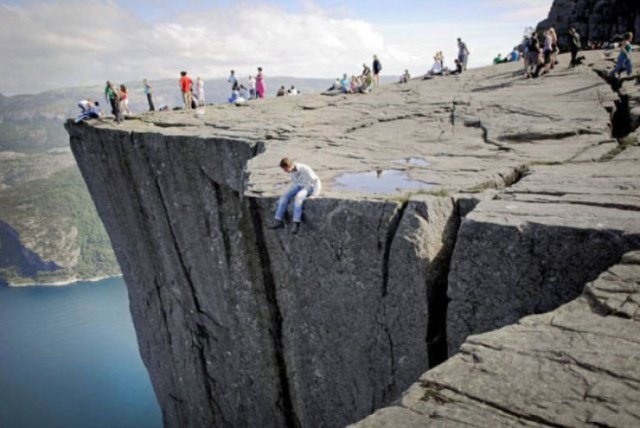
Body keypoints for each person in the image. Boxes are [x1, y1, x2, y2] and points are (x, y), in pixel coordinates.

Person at [268, 157, 321, 235]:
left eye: (285, 169)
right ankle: (278, 220)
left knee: (299, 197)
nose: (284, 171)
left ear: (290, 166)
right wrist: (289, 193)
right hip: (298, 186)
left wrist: (315, 194)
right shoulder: (292, 171)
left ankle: (296, 222)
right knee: (284, 197)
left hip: (308, 186)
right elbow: (294, 183)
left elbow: (316, 180)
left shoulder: (305, 169)